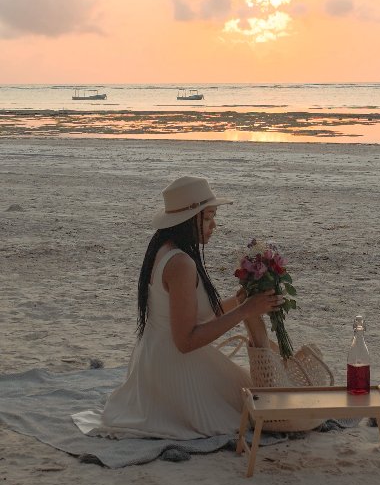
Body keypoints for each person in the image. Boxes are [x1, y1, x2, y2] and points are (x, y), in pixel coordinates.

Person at [72, 176, 282, 440]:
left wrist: (241, 299)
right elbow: (185, 341)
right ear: (189, 219)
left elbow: (198, 314)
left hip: (154, 359)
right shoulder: (181, 263)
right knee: (243, 409)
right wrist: (244, 312)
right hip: (172, 367)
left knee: (246, 395)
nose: (214, 225)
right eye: (207, 218)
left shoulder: (164, 248)